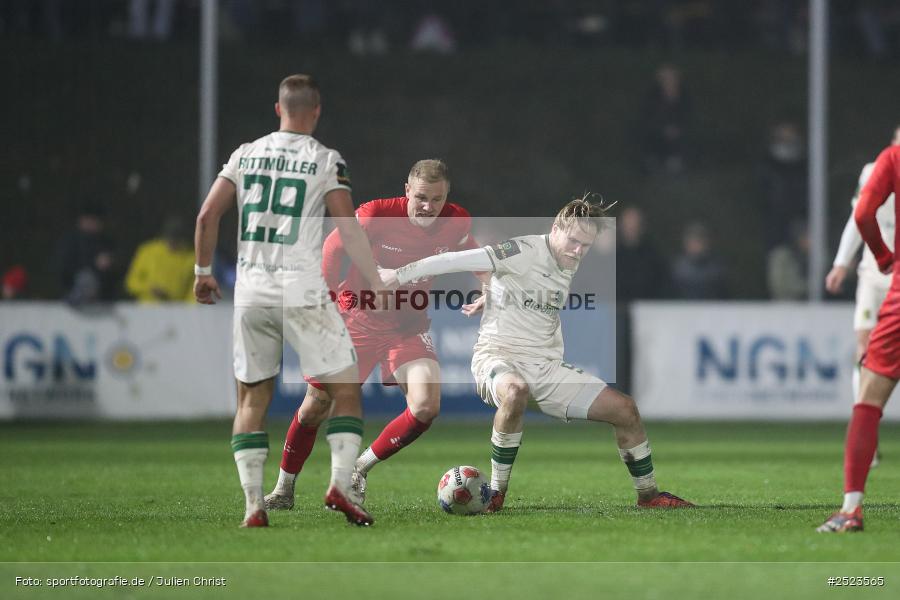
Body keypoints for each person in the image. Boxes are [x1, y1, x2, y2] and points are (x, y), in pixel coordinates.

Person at [380, 196, 693, 512]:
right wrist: (398, 274)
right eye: (573, 241)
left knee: (625, 409)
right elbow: (456, 260)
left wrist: (491, 294)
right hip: (497, 357)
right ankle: (497, 495)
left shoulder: (569, 257)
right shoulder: (522, 250)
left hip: (545, 367)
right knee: (515, 390)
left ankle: (649, 496)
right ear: (556, 227)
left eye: (585, 245)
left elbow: (519, 285)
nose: (577, 250)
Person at [193, 74, 387, 528]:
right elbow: (347, 226)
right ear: (316, 112)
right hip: (302, 289)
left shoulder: (245, 153)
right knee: (345, 391)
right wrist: (375, 279)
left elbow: (207, 215)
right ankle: (340, 484)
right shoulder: (325, 160)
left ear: (277, 109)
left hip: (253, 291)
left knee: (251, 402)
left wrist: (203, 274)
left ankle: (254, 506)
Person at [265, 159, 488, 510]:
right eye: (421, 198)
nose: (429, 207)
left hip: (408, 329)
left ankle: (359, 468)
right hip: (357, 322)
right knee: (314, 409)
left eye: (437, 199)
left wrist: (487, 285)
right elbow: (332, 248)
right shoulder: (376, 215)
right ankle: (283, 489)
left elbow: (473, 252)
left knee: (426, 407)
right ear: (406, 191)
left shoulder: (455, 221)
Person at [817, 141, 900, 533]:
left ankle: (851, 509)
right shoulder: (876, 166)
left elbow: (862, 214)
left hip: (893, 278)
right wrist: (843, 262)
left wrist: (885, 257)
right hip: (874, 278)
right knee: (863, 351)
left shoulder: (891, 158)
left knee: (870, 392)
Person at [125, 216, 195, 302]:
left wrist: (187, 311)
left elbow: (193, 291)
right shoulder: (147, 251)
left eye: (177, 239)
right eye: (170, 238)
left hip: (176, 311)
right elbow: (131, 282)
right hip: (147, 310)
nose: (172, 243)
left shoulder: (192, 257)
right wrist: (149, 288)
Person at [670, 221, 727, 299]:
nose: (696, 245)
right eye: (692, 241)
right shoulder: (677, 268)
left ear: (706, 243)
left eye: (699, 241)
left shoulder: (716, 269)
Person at [767, 219, 809, 300]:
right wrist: (808, 286)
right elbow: (779, 285)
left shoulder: (806, 258)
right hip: (784, 306)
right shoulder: (781, 257)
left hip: (801, 307)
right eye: (807, 237)